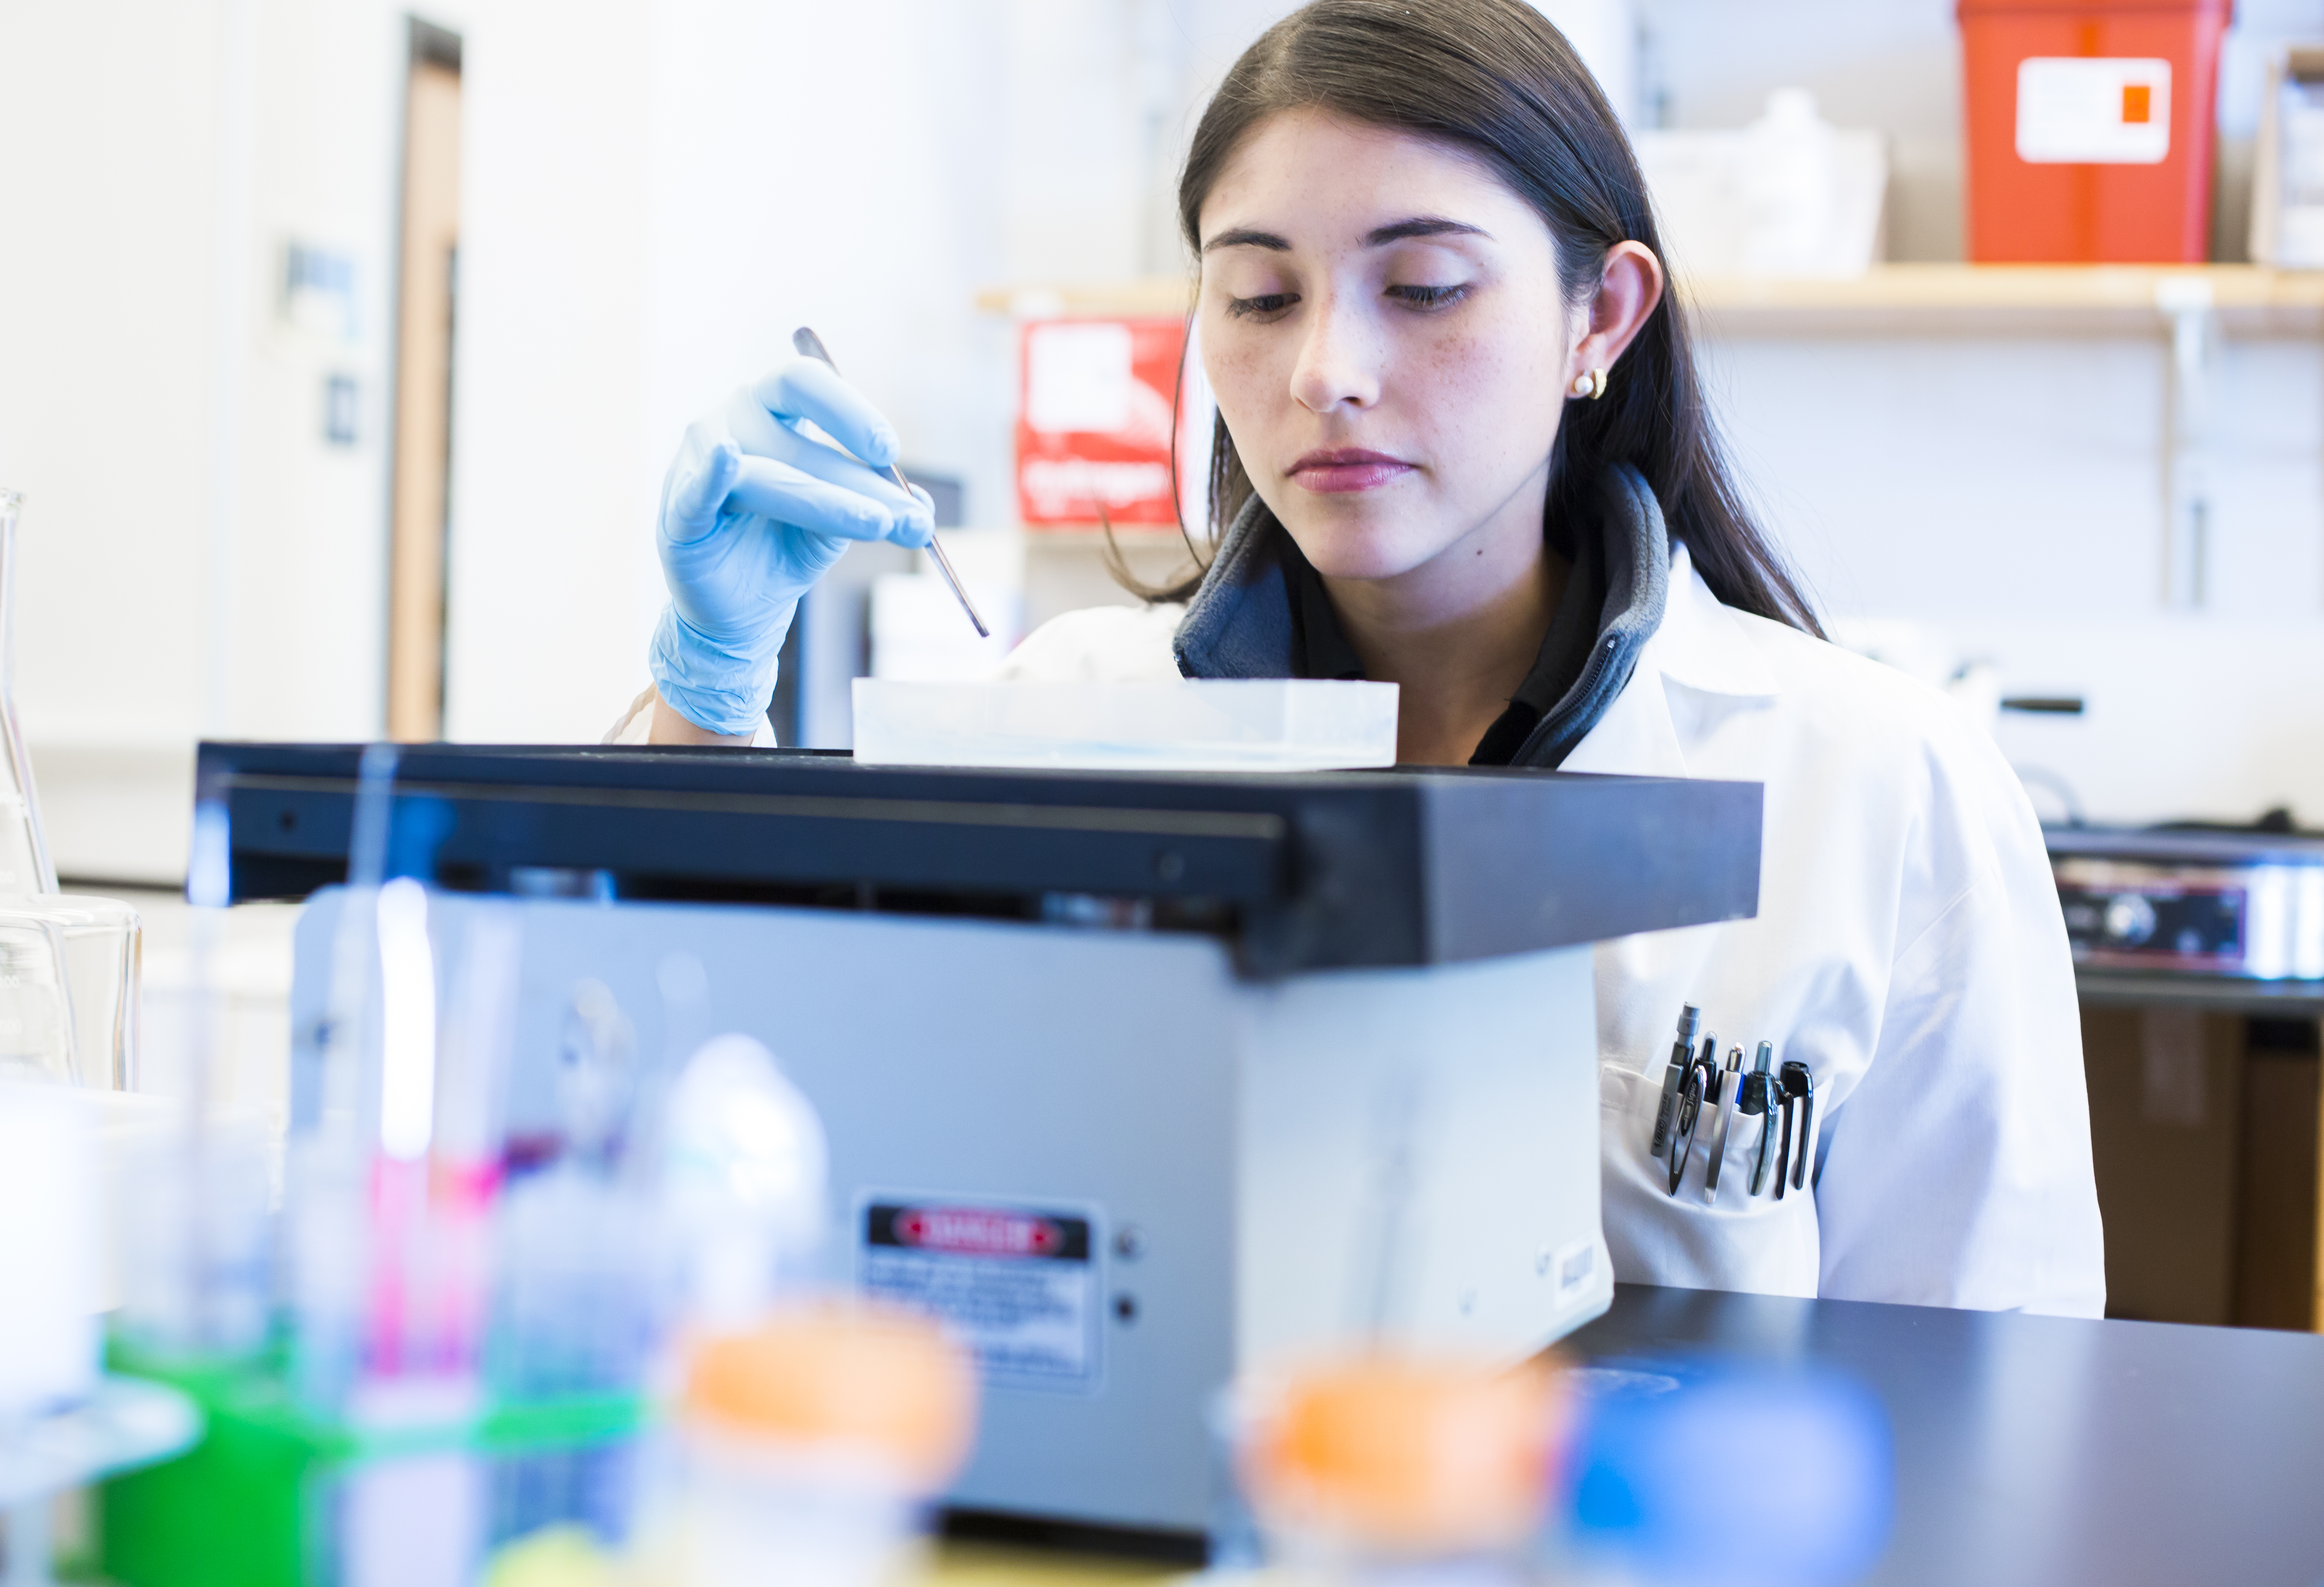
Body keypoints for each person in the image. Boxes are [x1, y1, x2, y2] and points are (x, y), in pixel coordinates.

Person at [620, 0, 2104, 1316]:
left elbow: (2000, 1371)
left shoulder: (1882, 788)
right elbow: (704, 1095)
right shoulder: (1061, 719)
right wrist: (708, 687)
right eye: (1261, 295)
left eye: (1427, 287)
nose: (1327, 367)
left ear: (1604, 315)